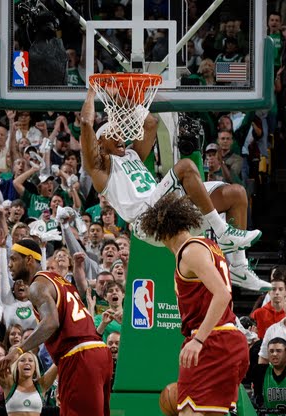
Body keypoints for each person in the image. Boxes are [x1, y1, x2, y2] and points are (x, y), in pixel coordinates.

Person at [80, 87, 270, 292]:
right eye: (113, 133)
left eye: (120, 132)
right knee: (186, 167)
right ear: (99, 144)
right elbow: (84, 123)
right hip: (145, 217)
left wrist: (118, 97)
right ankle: (222, 231)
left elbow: (150, 122)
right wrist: (92, 93)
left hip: (165, 205)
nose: (120, 136)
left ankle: (239, 269)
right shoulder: (100, 169)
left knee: (236, 194)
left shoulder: (132, 155)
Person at [138, 192, 249, 416]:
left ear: (162, 231)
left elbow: (222, 294)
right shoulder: (210, 247)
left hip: (212, 340)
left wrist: (198, 340)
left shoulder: (189, 251)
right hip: (229, 340)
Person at [0, 239, 112, 416]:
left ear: (30, 260)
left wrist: (19, 349)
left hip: (80, 354)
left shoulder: (37, 286)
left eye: (14, 259)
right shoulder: (57, 280)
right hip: (91, 352)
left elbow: (51, 323)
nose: (10, 264)